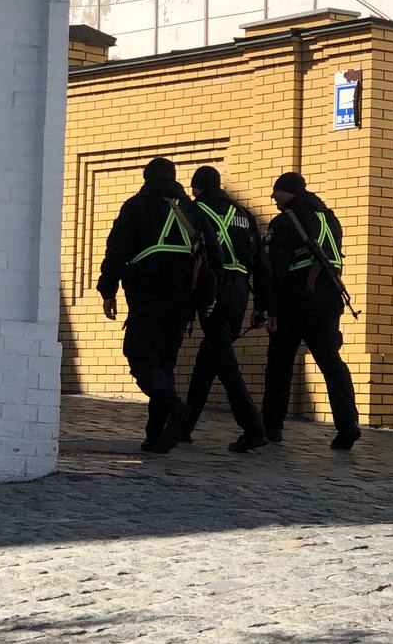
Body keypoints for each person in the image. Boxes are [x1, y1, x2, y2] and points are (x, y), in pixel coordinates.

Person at [97, 157, 220, 453]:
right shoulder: (192, 209)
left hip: (148, 295)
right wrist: (208, 298)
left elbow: (117, 251)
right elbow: (214, 256)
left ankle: (173, 406)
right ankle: (155, 437)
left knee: (139, 355)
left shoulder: (136, 206)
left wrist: (108, 289)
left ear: (147, 178)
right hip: (184, 300)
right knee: (165, 364)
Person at [262, 172, 361, 450]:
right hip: (329, 297)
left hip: (296, 298)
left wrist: (271, 309)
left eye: (277, 191)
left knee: (280, 362)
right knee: (331, 362)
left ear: (289, 192)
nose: (273, 196)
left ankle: (272, 427)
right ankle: (348, 424)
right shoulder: (330, 218)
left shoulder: (285, 221)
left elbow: (276, 270)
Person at [183, 166, 269, 454]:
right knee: (209, 359)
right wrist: (262, 306)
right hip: (240, 292)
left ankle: (253, 428)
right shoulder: (244, 214)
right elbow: (262, 264)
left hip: (214, 289)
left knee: (224, 361)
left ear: (196, 189)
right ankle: (184, 425)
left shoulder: (195, 211)